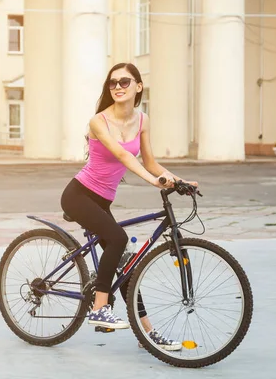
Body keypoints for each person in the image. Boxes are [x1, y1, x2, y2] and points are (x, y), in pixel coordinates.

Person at [60, 62, 198, 351]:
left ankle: (148, 332)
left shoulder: (142, 120)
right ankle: (99, 308)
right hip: (79, 195)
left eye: (124, 82)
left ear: (138, 86)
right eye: (113, 83)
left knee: (126, 265)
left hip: (102, 201)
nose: (118, 87)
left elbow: (150, 162)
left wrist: (179, 181)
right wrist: (155, 181)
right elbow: (124, 156)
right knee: (119, 239)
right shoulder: (99, 120)